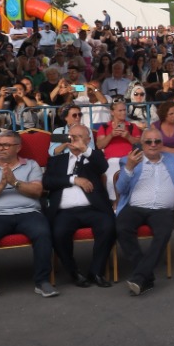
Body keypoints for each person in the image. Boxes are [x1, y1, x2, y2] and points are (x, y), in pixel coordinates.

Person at [114, 126, 174, 296]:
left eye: (157, 141)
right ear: (142, 143)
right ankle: (145, 276)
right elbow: (121, 188)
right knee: (122, 227)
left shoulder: (173, 160)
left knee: (163, 233)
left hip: (162, 210)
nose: (153, 144)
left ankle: (140, 277)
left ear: (162, 143)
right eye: (148, 141)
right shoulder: (130, 160)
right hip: (135, 207)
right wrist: (129, 168)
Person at [0, 130, 53, 305]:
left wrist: (14, 182)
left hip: (28, 212)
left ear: (18, 147)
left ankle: (43, 281)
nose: (1, 148)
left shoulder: (31, 165)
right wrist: (2, 183)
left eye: (6, 145)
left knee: (43, 233)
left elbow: (37, 191)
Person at [44, 123, 116, 287]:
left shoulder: (93, 157)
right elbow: (47, 182)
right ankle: (73, 272)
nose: (74, 139)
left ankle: (96, 271)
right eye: (71, 136)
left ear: (88, 140)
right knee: (58, 233)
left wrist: (85, 149)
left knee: (109, 226)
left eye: (79, 136)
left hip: (93, 208)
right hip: (65, 212)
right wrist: (73, 180)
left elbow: (103, 166)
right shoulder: (57, 160)